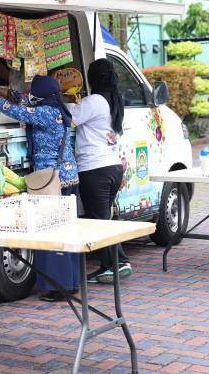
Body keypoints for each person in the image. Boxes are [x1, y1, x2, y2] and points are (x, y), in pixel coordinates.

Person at [0, 75, 79, 302]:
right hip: (66, 178)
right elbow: (22, 100)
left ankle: (58, 288)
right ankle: (70, 282)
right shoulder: (55, 108)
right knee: (66, 234)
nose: (30, 95)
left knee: (52, 234)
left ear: (42, 94)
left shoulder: (46, 113)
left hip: (52, 182)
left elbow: (21, 112)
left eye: (34, 91)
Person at [68, 58, 131, 284]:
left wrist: (61, 101)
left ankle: (117, 264)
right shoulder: (115, 100)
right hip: (112, 168)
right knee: (104, 220)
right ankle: (112, 264)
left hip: (95, 169)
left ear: (93, 78)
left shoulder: (94, 101)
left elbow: (70, 118)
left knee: (98, 222)